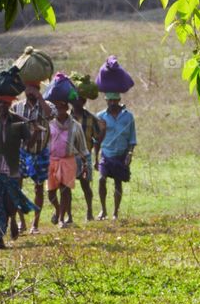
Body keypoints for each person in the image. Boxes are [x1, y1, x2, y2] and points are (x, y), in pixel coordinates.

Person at [0, 96, 38, 249]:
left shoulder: (19, 123)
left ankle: (12, 218)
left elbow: (29, 146)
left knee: (11, 202)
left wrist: (35, 133)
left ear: (10, 104)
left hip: (12, 171)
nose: (1, 105)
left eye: (4, 102)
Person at [13, 83, 53, 234]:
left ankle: (35, 225)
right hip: (22, 152)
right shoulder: (17, 108)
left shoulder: (46, 106)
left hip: (40, 152)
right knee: (17, 187)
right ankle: (21, 222)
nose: (30, 92)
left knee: (39, 188)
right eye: (28, 89)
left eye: (34, 89)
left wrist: (40, 97)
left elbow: (50, 115)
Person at [46, 100, 89, 228]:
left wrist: (85, 164)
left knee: (65, 190)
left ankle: (61, 219)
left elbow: (82, 147)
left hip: (68, 160)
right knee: (51, 192)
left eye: (62, 107)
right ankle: (58, 209)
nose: (59, 110)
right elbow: (44, 143)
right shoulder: (49, 125)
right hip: (51, 161)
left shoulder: (76, 126)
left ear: (66, 108)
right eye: (57, 108)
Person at [96, 92, 136, 220]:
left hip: (121, 154)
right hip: (106, 154)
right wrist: (95, 158)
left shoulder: (128, 117)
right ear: (106, 100)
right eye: (109, 101)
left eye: (115, 100)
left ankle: (116, 212)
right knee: (102, 179)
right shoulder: (101, 116)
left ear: (119, 99)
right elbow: (97, 139)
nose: (112, 103)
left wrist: (130, 153)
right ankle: (103, 210)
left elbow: (132, 138)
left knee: (118, 182)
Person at [70, 93, 106, 222]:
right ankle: (68, 216)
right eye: (75, 100)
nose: (77, 103)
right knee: (67, 187)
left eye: (80, 100)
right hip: (69, 156)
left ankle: (89, 212)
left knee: (86, 185)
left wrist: (103, 131)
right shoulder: (66, 117)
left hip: (85, 156)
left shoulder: (91, 118)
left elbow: (97, 139)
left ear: (84, 101)